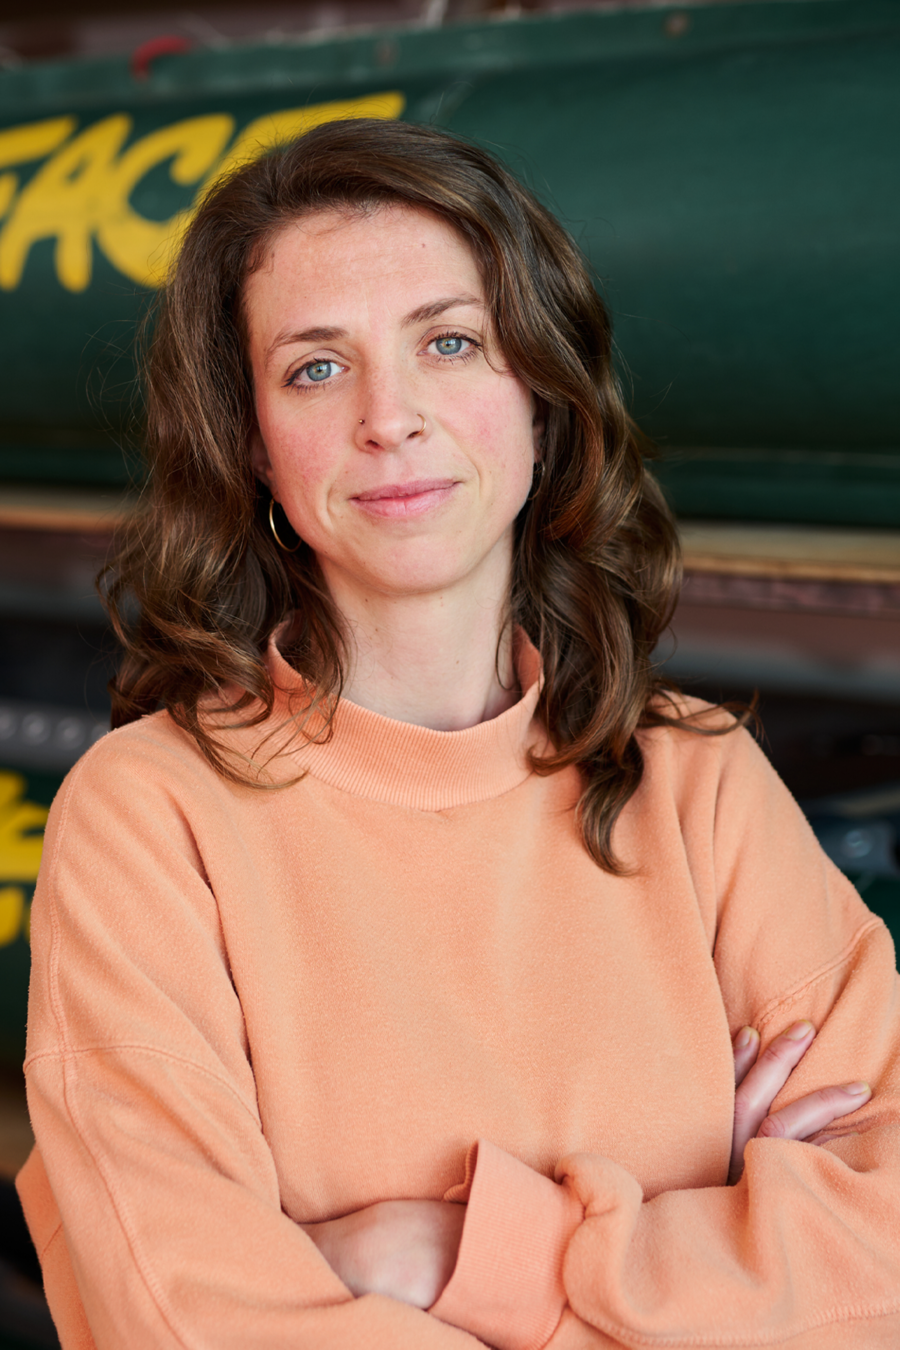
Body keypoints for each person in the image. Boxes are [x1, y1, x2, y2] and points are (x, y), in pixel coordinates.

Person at [16, 118, 900, 1349]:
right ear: (253, 443)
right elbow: (186, 1325)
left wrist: (451, 1258)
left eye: (449, 343)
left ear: (540, 400)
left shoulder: (694, 777)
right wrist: (711, 1247)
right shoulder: (151, 819)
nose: (391, 417)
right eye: (315, 369)